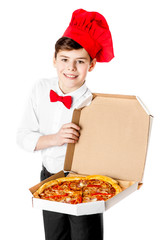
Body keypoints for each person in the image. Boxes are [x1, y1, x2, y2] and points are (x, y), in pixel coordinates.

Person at [17, 8, 114, 240]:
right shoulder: (40, 89)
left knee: (85, 236)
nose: (70, 68)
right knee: (54, 236)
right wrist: (56, 138)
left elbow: (109, 151)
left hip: (86, 184)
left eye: (80, 61)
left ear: (91, 65)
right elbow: (22, 136)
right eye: (64, 59)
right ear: (54, 60)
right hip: (49, 179)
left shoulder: (97, 105)